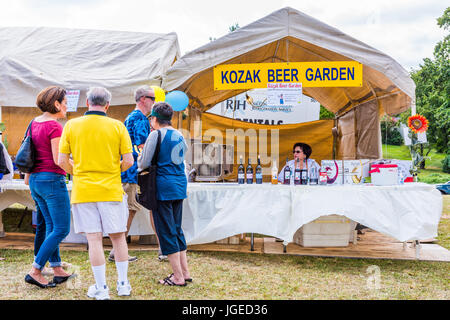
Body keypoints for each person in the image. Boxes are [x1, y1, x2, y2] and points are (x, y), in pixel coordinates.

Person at [58, 87, 134, 300]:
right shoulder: (117, 126)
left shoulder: (72, 125)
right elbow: (128, 161)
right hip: (111, 189)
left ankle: (101, 288)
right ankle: (123, 284)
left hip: (84, 190)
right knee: (119, 238)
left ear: (87, 102)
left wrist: (80, 172)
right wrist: (110, 171)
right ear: (107, 105)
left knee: (94, 240)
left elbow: (62, 161)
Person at [109, 85, 167, 263]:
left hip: (131, 172)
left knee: (132, 209)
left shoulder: (133, 117)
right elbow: (143, 148)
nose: (154, 102)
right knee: (130, 210)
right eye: (152, 98)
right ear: (143, 99)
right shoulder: (140, 119)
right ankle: (117, 251)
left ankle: (117, 251)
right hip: (134, 173)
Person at [23, 86, 73, 289]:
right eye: (66, 103)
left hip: (36, 181)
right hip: (52, 180)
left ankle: (57, 268)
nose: (67, 107)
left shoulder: (33, 122)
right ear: (56, 104)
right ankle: (35, 270)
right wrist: (78, 171)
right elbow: (58, 160)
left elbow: (28, 152)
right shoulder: (55, 127)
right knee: (61, 228)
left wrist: (28, 178)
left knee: (51, 226)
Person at [138, 102, 191, 286]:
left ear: (154, 118)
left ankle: (177, 277)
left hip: (162, 187)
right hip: (179, 185)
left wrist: (139, 158)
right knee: (176, 229)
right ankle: (185, 272)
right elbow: (182, 159)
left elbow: (144, 163)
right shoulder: (179, 135)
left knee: (166, 231)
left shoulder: (155, 135)